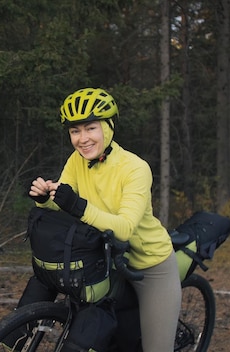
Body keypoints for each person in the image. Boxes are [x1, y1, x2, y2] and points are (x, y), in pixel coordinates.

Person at [26, 87, 182, 352]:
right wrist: (45, 198)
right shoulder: (76, 161)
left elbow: (124, 228)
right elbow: (65, 200)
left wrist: (78, 206)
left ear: (108, 128)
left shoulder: (135, 168)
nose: (82, 139)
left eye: (90, 128)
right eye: (75, 131)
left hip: (149, 264)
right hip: (105, 259)